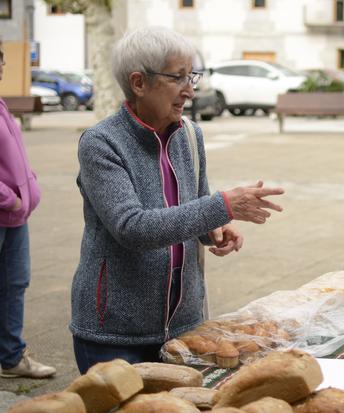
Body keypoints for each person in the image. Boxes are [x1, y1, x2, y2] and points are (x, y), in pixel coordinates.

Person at [69, 27, 284, 374]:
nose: (190, 89)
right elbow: (132, 228)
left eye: (192, 76)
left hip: (185, 328)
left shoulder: (190, 134)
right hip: (116, 335)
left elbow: (194, 203)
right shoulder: (101, 143)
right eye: (178, 77)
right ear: (139, 83)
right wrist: (221, 206)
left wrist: (214, 229)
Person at [0, 48, 56, 379]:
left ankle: (10, 358)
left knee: (15, 283)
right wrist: (11, 198)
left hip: (16, 217)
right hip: (6, 209)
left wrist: (29, 186)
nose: (1, 66)